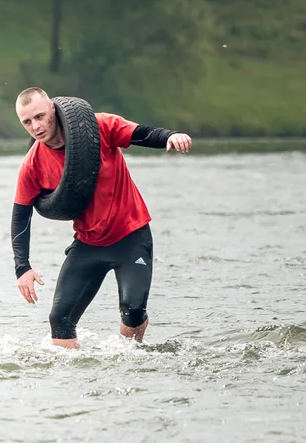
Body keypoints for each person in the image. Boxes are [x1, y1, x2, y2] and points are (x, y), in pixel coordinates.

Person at [10, 87, 193, 349]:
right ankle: (72, 380)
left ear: (52, 108)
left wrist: (171, 136)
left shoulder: (97, 127)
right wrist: (22, 268)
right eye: (27, 122)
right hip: (88, 243)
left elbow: (141, 134)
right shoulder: (32, 164)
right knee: (59, 318)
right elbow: (20, 217)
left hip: (131, 236)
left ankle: (132, 358)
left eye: (39, 116)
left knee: (132, 309)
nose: (36, 127)